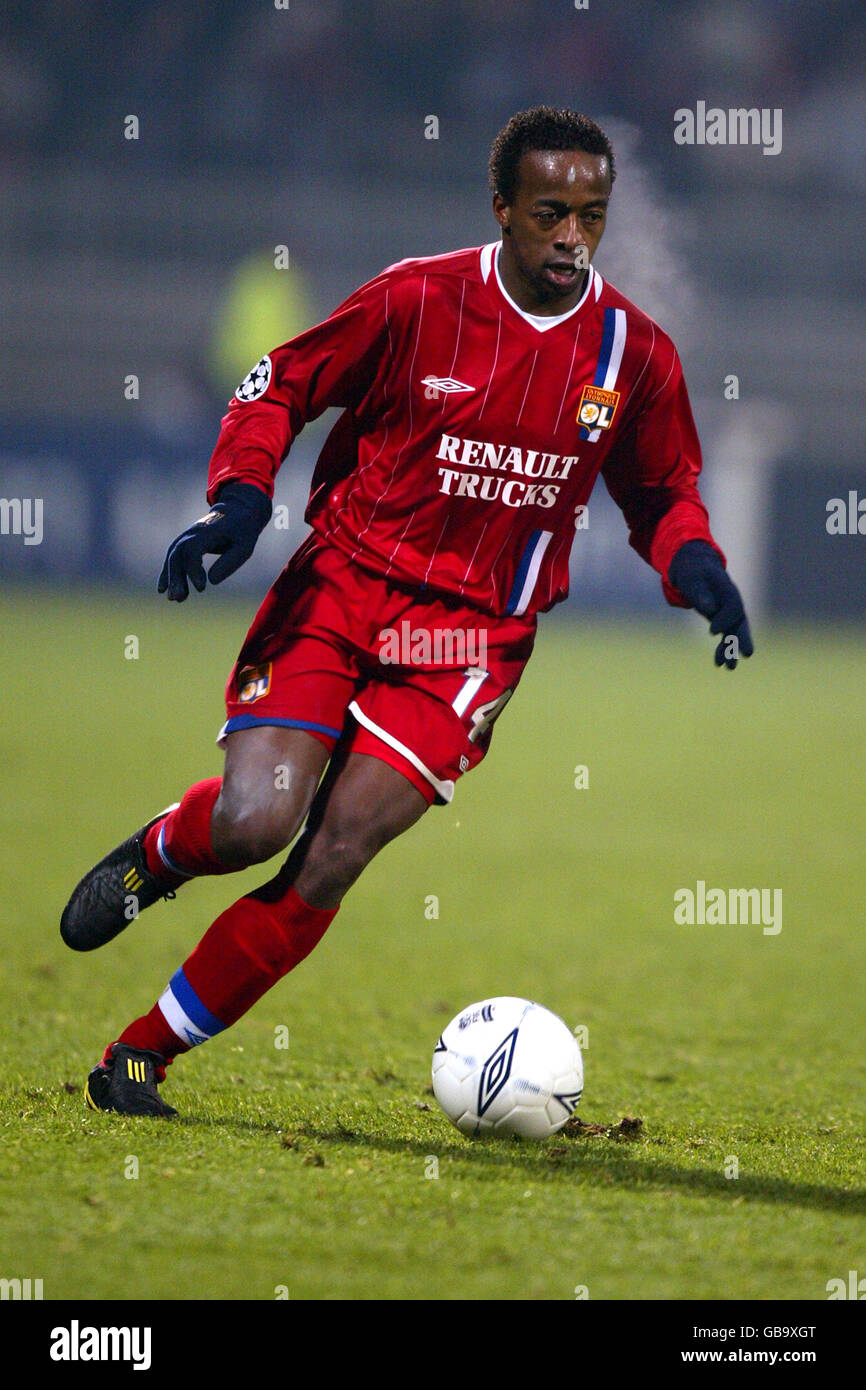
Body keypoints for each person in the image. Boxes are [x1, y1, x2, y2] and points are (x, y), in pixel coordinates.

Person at [60, 106, 753, 1117]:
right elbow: (277, 384)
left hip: (470, 638)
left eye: (592, 217)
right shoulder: (417, 299)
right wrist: (243, 497)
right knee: (258, 820)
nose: (572, 236)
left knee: (335, 849)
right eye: (551, 212)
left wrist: (694, 562)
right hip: (345, 584)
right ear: (502, 208)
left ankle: (141, 1053)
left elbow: (665, 488)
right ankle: (163, 852)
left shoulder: (630, 355)